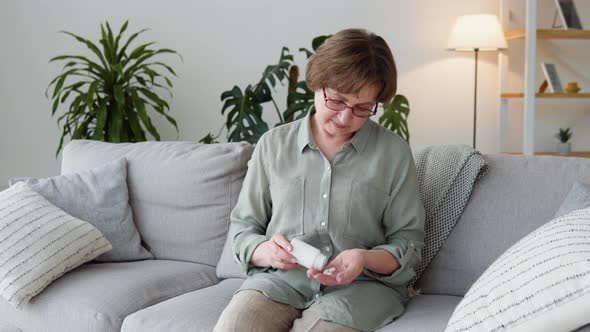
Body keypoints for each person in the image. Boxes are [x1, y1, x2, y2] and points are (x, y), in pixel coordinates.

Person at [214, 28, 425, 332]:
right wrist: (266, 251)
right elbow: (244, 229)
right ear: (317, 83)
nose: (344, 118)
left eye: (362, 108)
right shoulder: (273, 146)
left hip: (361, 290)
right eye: (336, 101)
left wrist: (363, 258)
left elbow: (408, 244)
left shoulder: (393, 154)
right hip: (278, 283)